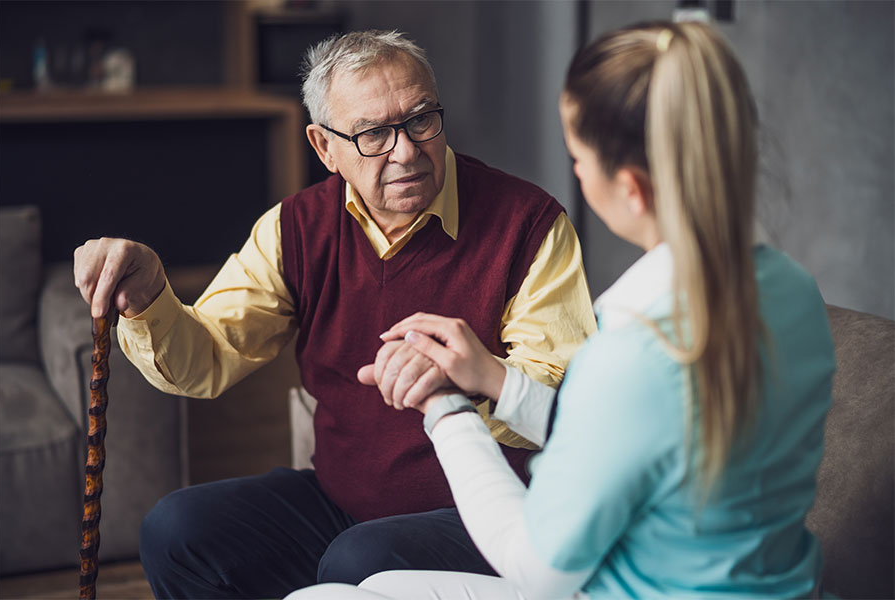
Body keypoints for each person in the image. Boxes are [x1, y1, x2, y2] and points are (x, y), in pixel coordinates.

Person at [286, 20, 837, 600]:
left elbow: (539, 569)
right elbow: (638, 431)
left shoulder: (631, 347)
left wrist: (445, 408)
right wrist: (493, 378)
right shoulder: (793, 293)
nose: (574, 170)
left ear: (630, 188)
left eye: (578, 156)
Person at [72, 30, 597, 599]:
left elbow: (560, 398)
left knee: (360, 560)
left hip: (493, 514)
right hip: (345, 500)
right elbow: (209, 357)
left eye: (422, 120)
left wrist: (470, 377)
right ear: (324, 147)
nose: (406, 150)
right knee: (178, 529)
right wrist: (152, 298)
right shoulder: (296, 228)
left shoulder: (528, 223)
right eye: (373, 134)